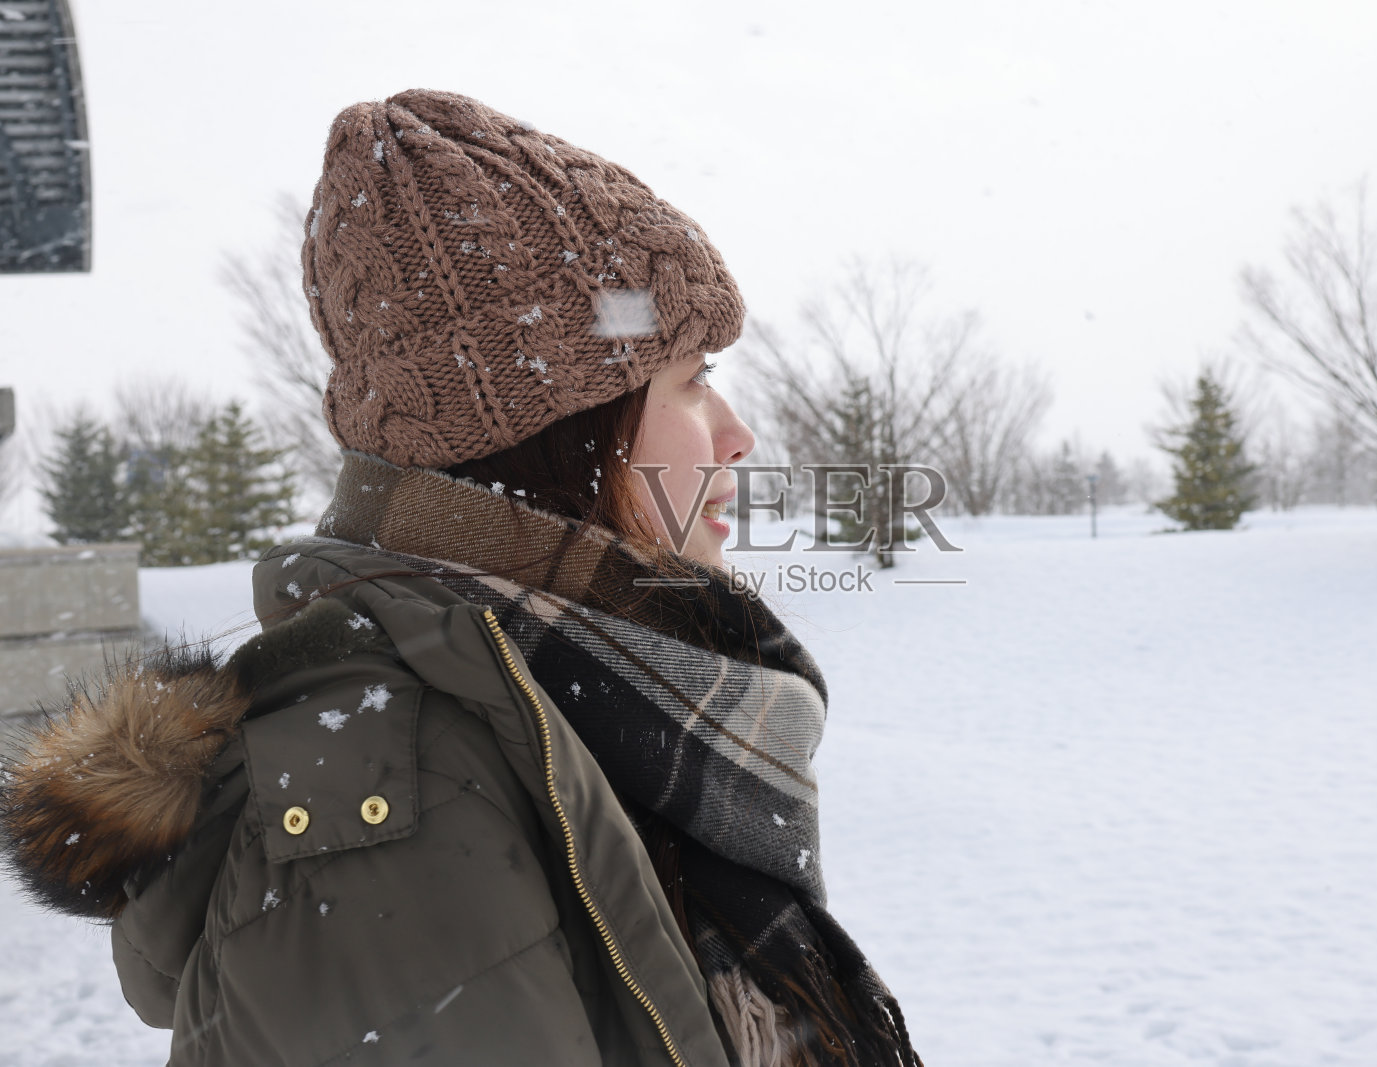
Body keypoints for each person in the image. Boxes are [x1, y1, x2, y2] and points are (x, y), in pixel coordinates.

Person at [0, 88, 920, 1066]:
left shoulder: (579, 716)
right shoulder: (394, 804)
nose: (738, 433)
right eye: (692, 379)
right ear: (557, 431)